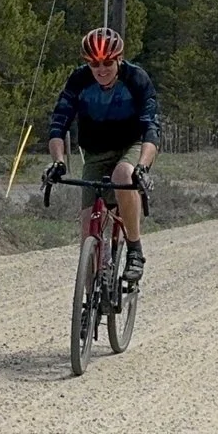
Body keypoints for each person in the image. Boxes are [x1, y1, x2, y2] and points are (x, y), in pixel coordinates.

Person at [44, 27, 162, 285]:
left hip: (131, 144)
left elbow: (151, 129)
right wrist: (58, 161)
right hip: (95, 151)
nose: (101, 69)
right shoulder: (79, 80)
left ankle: (134, 250)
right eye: (94, 64)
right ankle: (90, 301)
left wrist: (142, 166)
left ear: (119, 59)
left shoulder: (136, 79)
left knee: (123, 174)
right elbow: (58, 125)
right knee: (88, 229)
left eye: (107, 62)